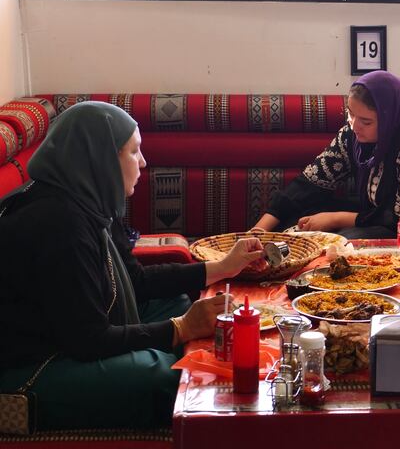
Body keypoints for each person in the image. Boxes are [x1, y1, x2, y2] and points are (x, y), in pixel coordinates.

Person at [0, 101, 265, 430]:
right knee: (158, 372)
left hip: (72, 335)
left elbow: (134, 280)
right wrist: (182, 329)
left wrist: (222, 267)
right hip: (32, 368)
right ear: (101, 158)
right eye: (133, 151)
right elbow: (87, 340)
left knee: (177, 302)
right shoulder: (58, 226)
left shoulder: (88, 198)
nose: (143, 162)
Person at [254, 71, 400, 239]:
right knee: (297, 219)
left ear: (390, 118)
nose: (355, 126)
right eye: (350, 114)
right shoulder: (353, 134)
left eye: (366, 121)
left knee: (346, 243)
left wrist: (334, 219)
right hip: (380, 214)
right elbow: (311, 182)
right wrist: (259, 230)